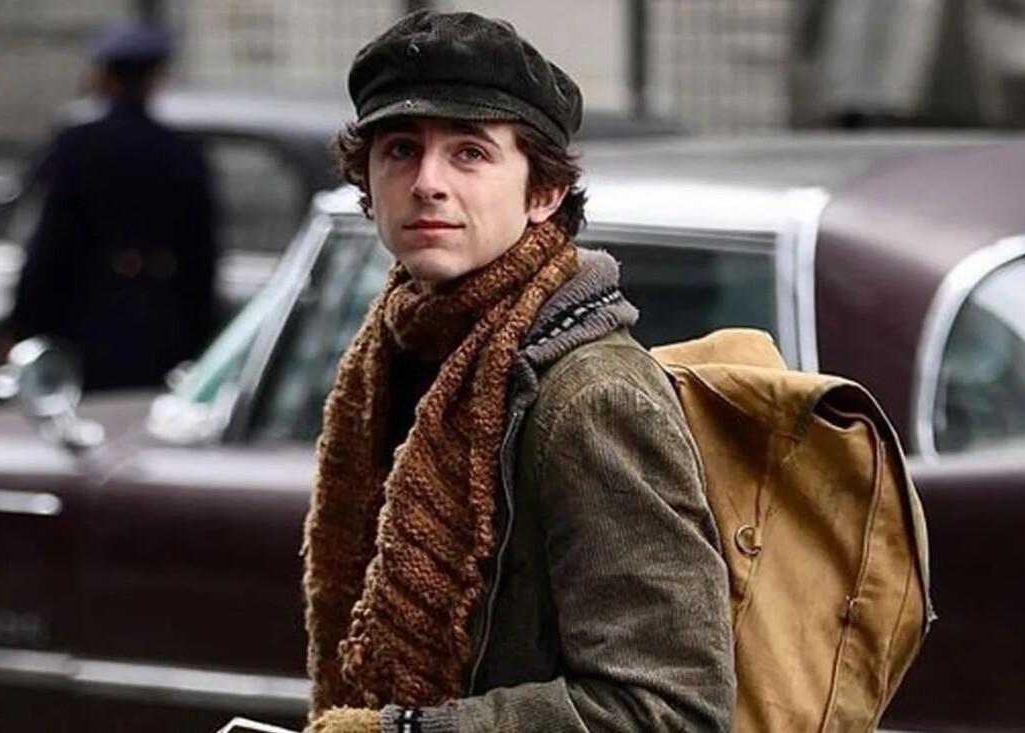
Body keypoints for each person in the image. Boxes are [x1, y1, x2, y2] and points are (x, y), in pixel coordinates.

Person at [301, 10, 735, 733]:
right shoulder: (395, 359)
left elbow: (670, 709)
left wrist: (407, 731)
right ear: (367, 182)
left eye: (469, 153)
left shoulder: (592, 398)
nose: (428, 182)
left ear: (544, 193)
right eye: (401, 149)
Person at [4, 24, 216, 391]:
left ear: (103, 79)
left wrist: (25, 324)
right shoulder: (180, 152)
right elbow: (202, 254)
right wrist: (200, 331)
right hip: (161, 316)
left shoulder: (76, 146)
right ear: (154, 81)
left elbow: (50, 243)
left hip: (87, 313)